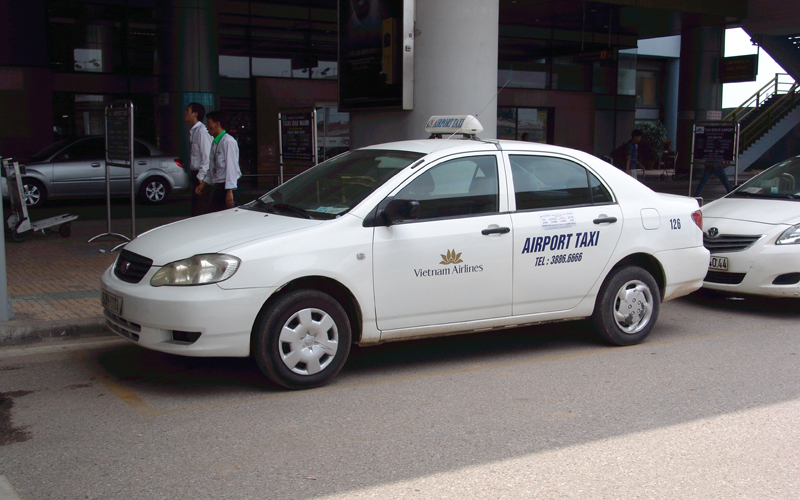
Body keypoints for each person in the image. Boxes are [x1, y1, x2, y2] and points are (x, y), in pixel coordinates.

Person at [197, 111, 241, 212]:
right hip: (218, 186)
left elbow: (231, 168)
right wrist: (203, 183)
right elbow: (213, 166)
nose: (207, 126)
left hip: (227, 187)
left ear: (217, 123)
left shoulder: (228, 141)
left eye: (209, 123)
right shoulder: (215, 142)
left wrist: (229, 191)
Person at [184, 102, 213, 216]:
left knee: (200, 209)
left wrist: (201, 177)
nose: (185, 113)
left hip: (202, 176)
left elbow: (207, 155)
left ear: (195, 114)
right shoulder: (194, 131)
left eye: (188, 110)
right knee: (197, 207)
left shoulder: (201, 131)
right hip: (196, 174)